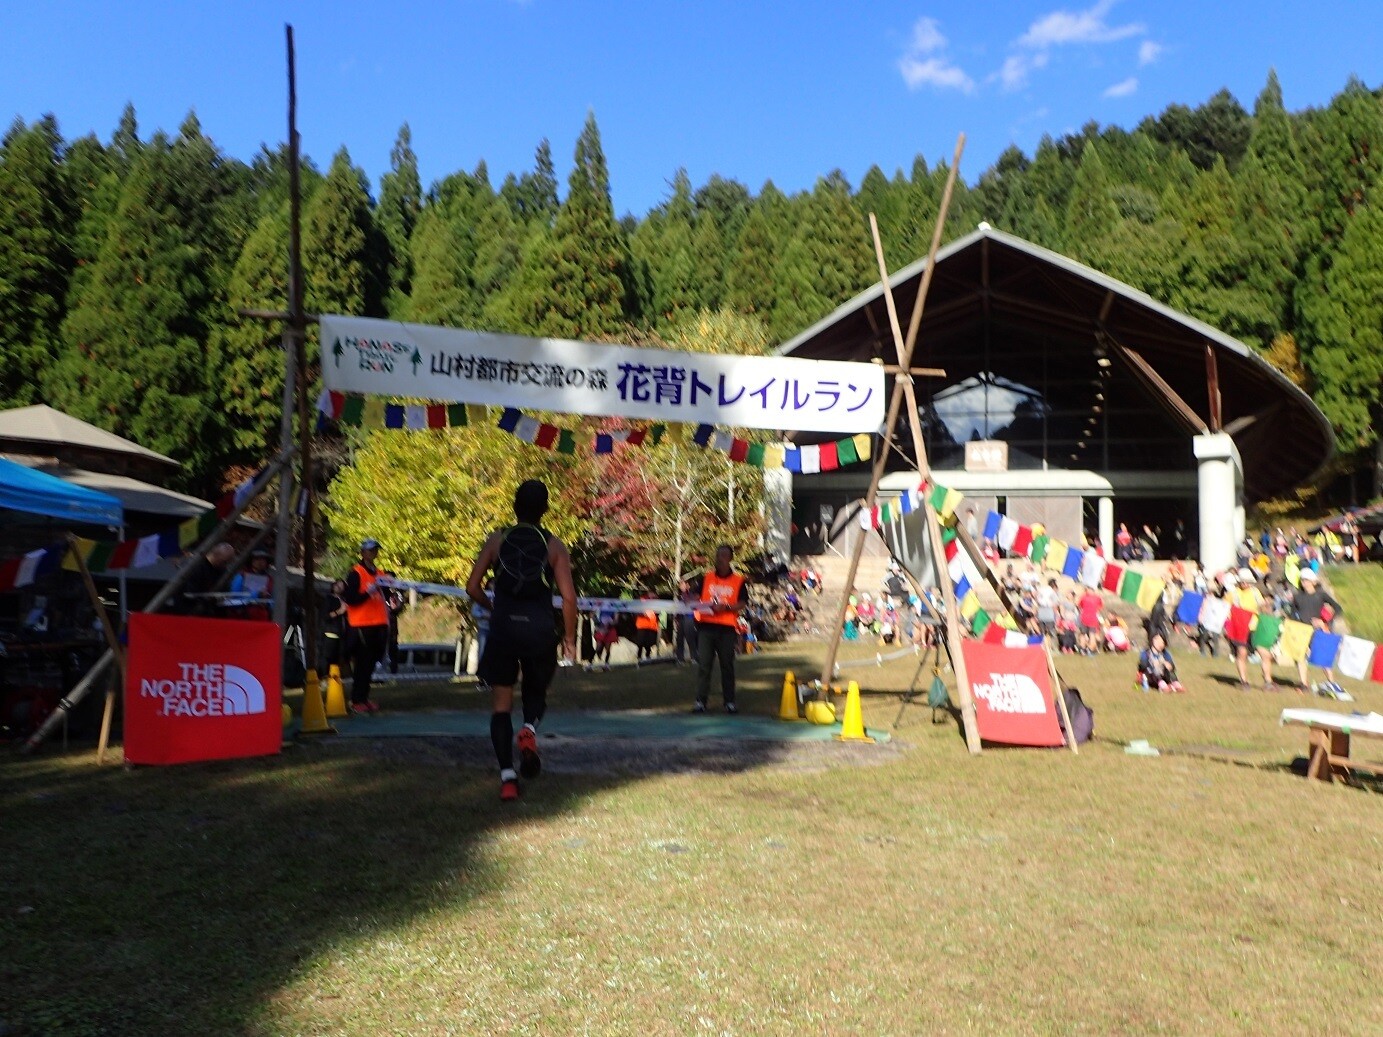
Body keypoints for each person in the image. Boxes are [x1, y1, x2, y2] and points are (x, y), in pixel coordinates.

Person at [465, 480, 578, 802]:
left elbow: (472, 587)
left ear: (515, 507)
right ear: (545, 509)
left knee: (501, 706)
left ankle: (508, 778)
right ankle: (528, 729)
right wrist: (568, 639)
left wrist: (493, 608)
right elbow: (569, 599)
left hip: (503, 630)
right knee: (535, 690)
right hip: (540, 630)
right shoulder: (554, 546)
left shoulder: (497, 539)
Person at [686, 544, 749, 714]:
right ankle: (700, 701)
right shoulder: (706, 578)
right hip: (706, 627)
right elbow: (695, 596)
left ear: (730, 559)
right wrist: (688, 597)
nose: (719, 558)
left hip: (727, 628)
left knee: (727, 665)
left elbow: (743, 602)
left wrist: (727, 608)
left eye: (723, 555)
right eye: (718, 554)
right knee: (704, 665)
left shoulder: (738, 581)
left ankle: (729, 701)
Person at [340, 538, 391, 715]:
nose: (373, 553)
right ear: (362, 552)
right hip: (361, 626)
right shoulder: (356, 573)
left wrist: (391, 589)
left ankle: (364, 697)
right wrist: (368, 593)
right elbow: (350, 599)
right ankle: (356, 700)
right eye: (370, 550)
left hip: (378, 624)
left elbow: (387, 594)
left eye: (376, 550)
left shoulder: (380, 573)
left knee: (370, 665)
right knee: (362, 664)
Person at [1291, 568, 1345, 695]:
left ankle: (1331, 683)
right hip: (1302, 630)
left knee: (1323, 657)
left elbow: (1338, 608)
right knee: (1300, 657)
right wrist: (1294, 625)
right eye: (1303, 580)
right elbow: (1293, 613)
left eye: (1307, 580)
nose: (1305, 583)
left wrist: (1324, 622)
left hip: (1318, 631)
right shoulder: (1297, 596)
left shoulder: (1321, 594)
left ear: (1314, 582)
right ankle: (1304, 683)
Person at [172, 542, 236, 615]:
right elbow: (189, 593)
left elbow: (225, 589)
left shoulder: (221, 569)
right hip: (188, 608)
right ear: (216, 555)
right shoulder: (195, 566)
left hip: (209, 609)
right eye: (224, 562)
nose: (226, 565)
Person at [229, 548, 273, 621]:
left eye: (263, 559)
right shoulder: (241, 576)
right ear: (251, 561)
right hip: (242, 617)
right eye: (257, 559)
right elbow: (234, 597)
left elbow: (273, 600)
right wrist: (257, 594)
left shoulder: (269, 579)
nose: (260, 562)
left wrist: (267, 602)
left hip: (262, 617)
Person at [634, 594, 660, 663]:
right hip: (642, 625)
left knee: (649, 642)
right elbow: (636, 612)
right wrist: (644, 614)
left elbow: (658, 612)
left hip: (651, 626)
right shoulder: (642, 600)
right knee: (640, 642)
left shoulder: (656, 601)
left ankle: (648, 656)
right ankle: (639, 657)